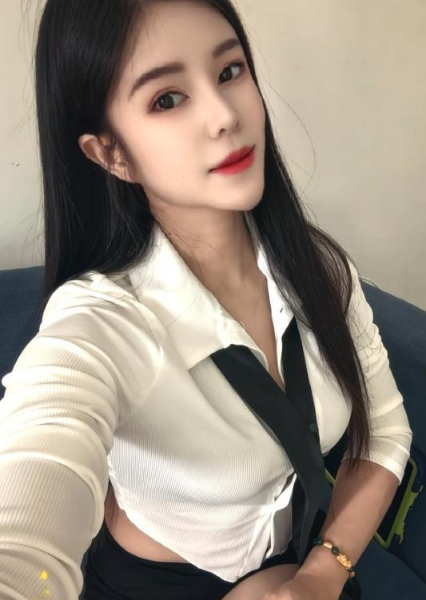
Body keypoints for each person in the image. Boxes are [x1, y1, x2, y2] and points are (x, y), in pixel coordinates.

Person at [0, 1, 413, 599]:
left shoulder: (320, 268)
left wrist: (323, 571)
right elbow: (30, 516)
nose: (224, 115)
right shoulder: (104, 322)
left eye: (229, 71)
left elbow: (384, 431)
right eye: (167, 99)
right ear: (111, 153)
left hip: (309, 559)